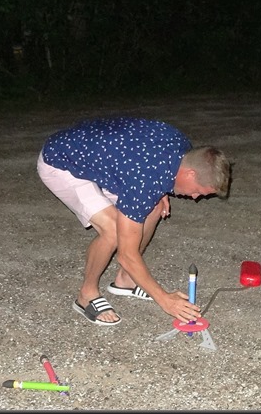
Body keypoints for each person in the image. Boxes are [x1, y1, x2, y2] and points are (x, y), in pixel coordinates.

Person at [37, 117, 231, 326]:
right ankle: (86, 294)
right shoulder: (145, 179)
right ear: (190, 173)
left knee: (155, 207)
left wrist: (161, 190)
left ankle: (125, 280)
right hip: (61, 161)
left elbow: (145, 165)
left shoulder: (183, 150)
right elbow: (126, 254)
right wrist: (165, 300)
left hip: (102, 160)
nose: (195, 197)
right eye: (198, 191)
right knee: (113, 231)